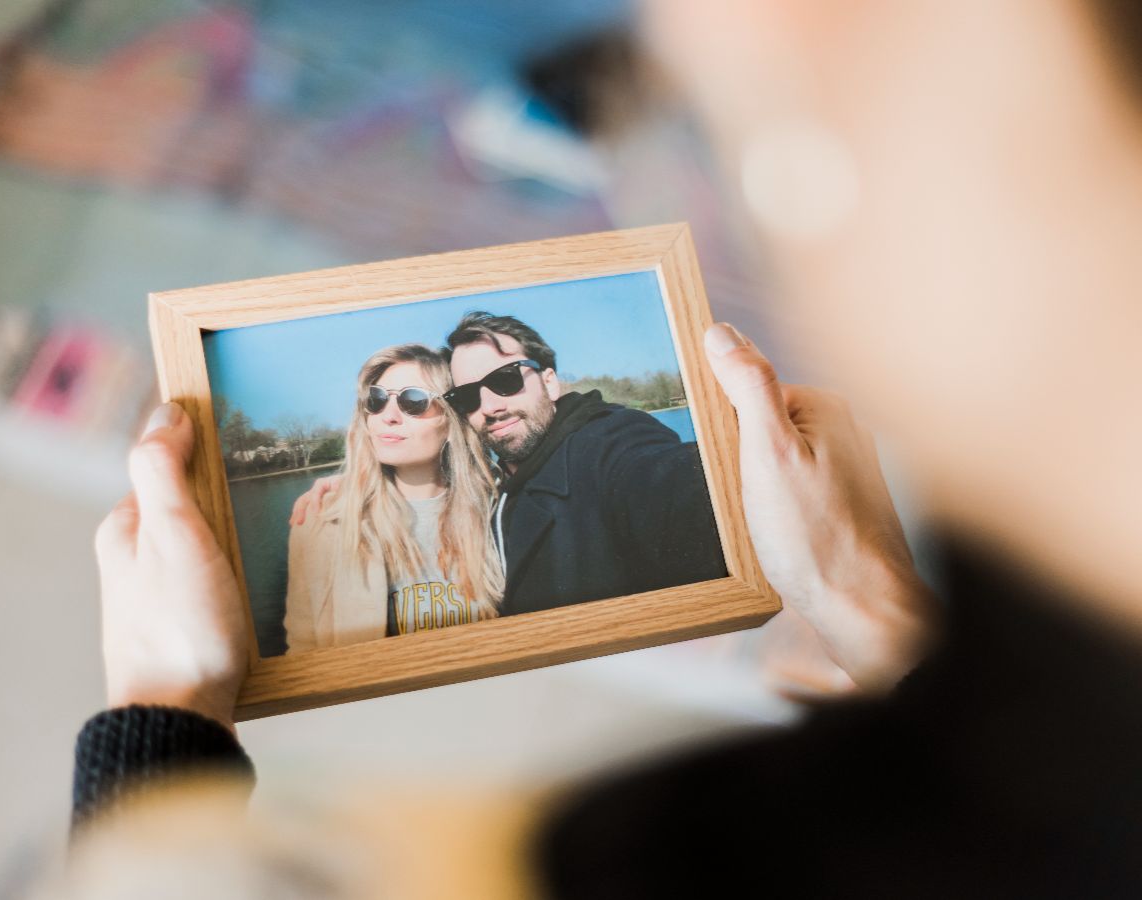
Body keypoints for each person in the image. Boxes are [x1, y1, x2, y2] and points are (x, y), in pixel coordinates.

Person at [77, 0, 1142, 894]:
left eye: (499, 382)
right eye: (448, 397)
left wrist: (165, 715)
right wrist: (866, 607)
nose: (473, 407)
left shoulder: (617, 452)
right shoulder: (421, 500)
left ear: (551, 379)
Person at [292, 311, 728, 617]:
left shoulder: (609, 442)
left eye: (505, 379)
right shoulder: (494, 494)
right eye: (467, 396)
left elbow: (667, 482)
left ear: (550, 382)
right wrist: (352, 486)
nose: (491, 405)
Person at [284, 344, 502, 651]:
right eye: (377, 400)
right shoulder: (322, 522)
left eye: (414, 401)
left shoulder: (497, 509)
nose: (389, 415)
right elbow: (302, 650)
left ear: (452, 423)